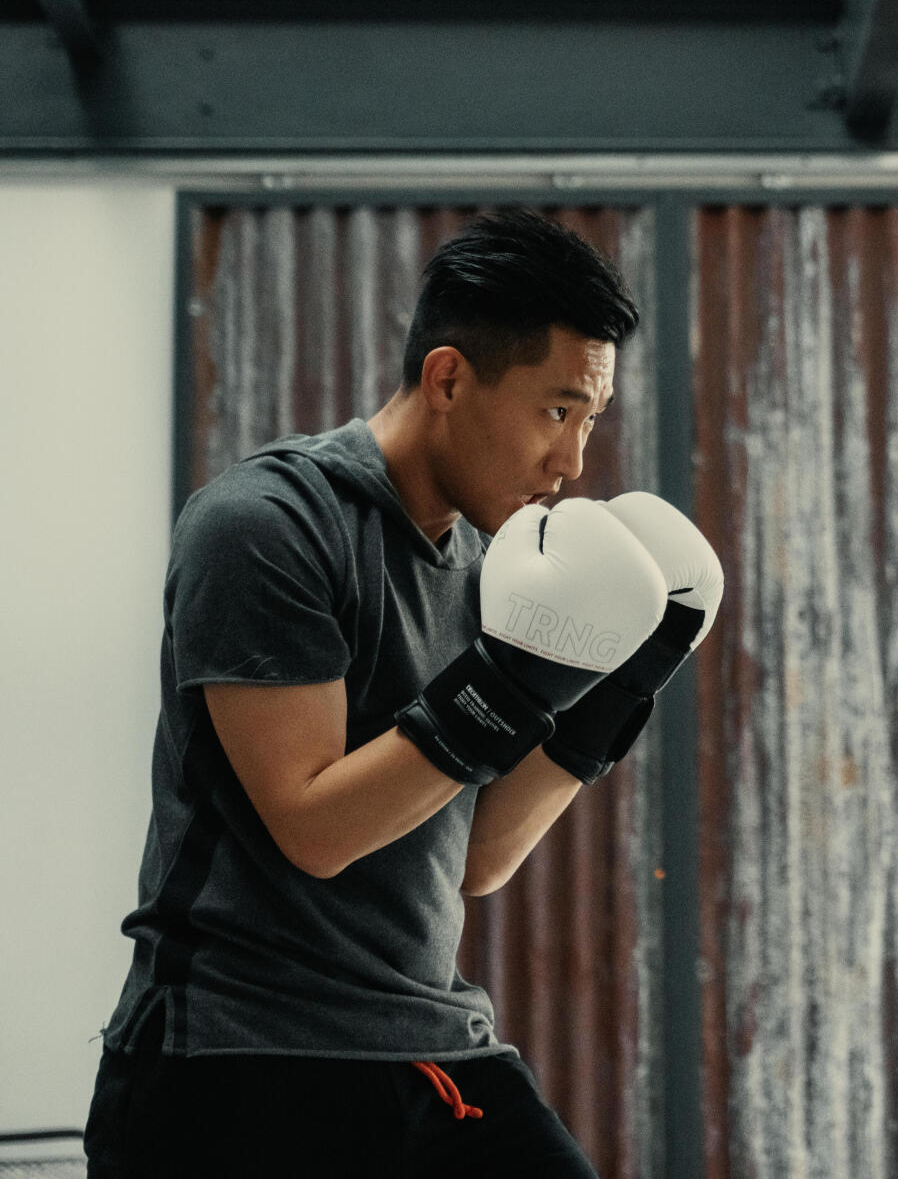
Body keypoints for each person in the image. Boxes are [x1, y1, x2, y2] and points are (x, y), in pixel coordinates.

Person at [82, 207, 724, 1178]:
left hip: (422, 1041)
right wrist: (511, 681)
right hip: (237, 1058)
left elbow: (474, 862)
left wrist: (607, 692)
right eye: (557, 411)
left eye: (591, 418)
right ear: (449, 378)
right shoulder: (266, 525)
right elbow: (315, 829)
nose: (574, 462)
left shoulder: (494, 569)